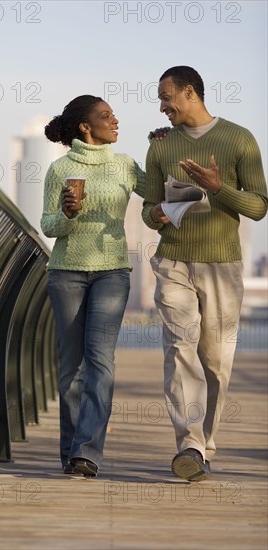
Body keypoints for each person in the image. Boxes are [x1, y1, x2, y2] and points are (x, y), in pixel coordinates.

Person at [142, 66, 268, 481]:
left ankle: (205, 445)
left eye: (166, 97)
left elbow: (258, 207)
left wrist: (218, 187)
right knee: (180, 348)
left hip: (222, 263)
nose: (161, 107)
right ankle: (190, 444)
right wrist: (157, 213)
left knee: (215, 361)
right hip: (173, 259)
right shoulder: (160, 145)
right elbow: (148, 209)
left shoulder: (239, 139)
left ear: (190, 92)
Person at [41, 95, 160, 477]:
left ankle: (86, 454)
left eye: (113, 114)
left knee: (100, 362)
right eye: (105, 116)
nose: (115, 120)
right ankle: (70, 452)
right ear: (84, 127)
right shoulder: (60, 169)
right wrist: (67, 214)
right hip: (66, 273)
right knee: (70, 370)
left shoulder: (125, 165)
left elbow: (157, 194)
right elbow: (49, 226)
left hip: (112, 271)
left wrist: (162, 150)